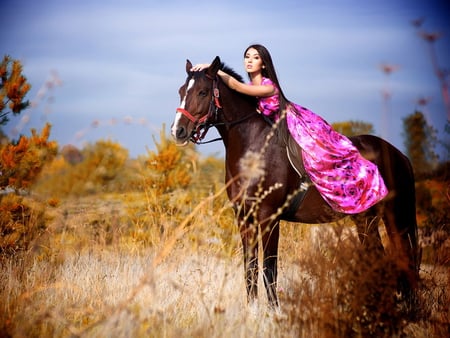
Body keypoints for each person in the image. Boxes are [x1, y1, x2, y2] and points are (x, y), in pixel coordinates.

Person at [191, 44, 388, 214]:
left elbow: (237, 86)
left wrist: (213, 69)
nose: (249, 61)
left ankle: (310, 181)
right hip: (275, 125)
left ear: (264, 63)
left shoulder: (268, 86)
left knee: (318, 153)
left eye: (255, 57)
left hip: (292, 122)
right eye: (247, 57)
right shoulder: (253, 83)